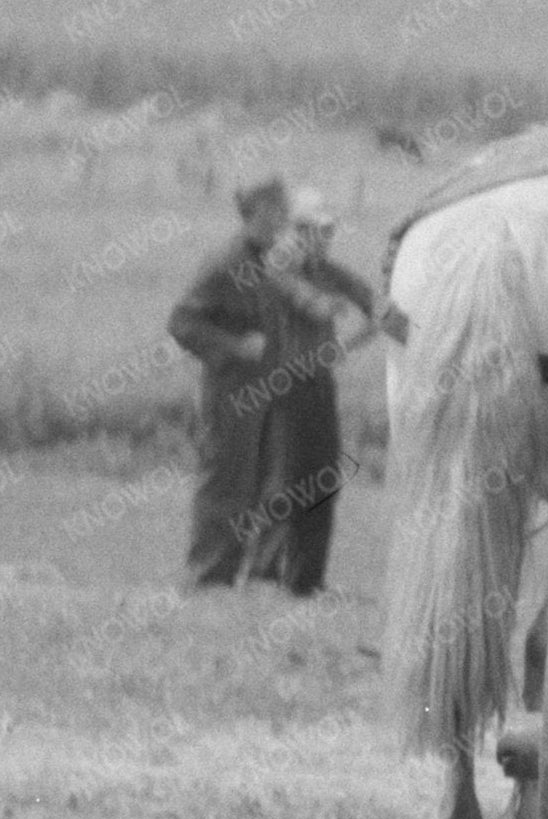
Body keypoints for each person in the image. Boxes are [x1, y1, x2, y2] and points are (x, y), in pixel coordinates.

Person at [166, 178, 305, 589]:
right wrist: (235, 346)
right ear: (257, 210)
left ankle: (242, 573)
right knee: (225, 480)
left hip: (266, 391)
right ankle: (208, 576)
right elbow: (182, 322)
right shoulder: (225, 262)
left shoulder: (268, 261)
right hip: (230, 393)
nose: (284, 218)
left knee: (262, 482)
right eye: (278, 209)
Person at [248, 204, 390, 595]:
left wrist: (350, 342)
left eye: (327, 231)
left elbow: (377, 306)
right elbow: (309, 301)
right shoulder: (276, 266)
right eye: (312, 231)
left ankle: (306, 580)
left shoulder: (328, 271)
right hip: (279, 384)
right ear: (294, 231)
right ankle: (263, 573)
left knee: (323, 478)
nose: (322, 239)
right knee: (282, 478)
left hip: (317, 384)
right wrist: (330, 308)